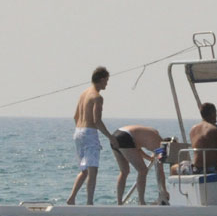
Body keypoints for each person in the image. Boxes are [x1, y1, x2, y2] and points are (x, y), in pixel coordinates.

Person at [66, 66, 117, 205]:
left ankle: (72, 198)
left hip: (78, 132)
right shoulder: (97, 97)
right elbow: (97, 121)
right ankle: (89, 203)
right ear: (101, 80)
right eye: (106, 81)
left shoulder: (84, 94)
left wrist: (81, 130)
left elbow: (75, 116)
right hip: (89, 133)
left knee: (84, 170)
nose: (107, 84)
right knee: (93, 170)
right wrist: (110, 137)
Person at [110, 125, 170, 205]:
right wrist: (164, 190)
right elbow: (159, 170)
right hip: (126, 137)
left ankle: (119, 203)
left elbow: (136, 148)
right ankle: (141, 202)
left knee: (124, 171)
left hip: (116, 135)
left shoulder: (153, 135)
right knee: (142, 170)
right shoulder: (160, 146)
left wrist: (148, 158)